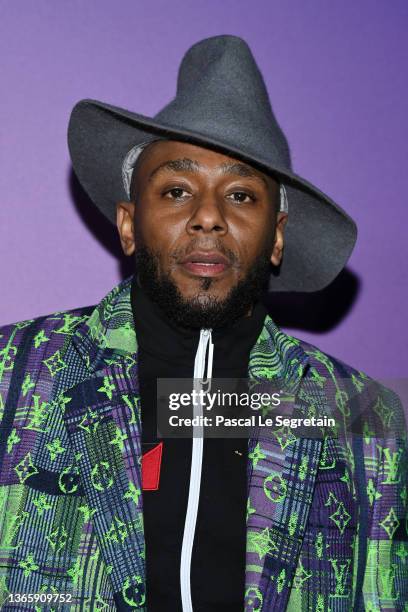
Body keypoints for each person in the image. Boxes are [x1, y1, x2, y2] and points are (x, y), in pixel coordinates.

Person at [0, 35, 406, 612]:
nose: (209, 216)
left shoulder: (359, 417)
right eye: (177, 190)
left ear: (278, 237)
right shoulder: (12, 374)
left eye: (240, 194)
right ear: (129, 223)